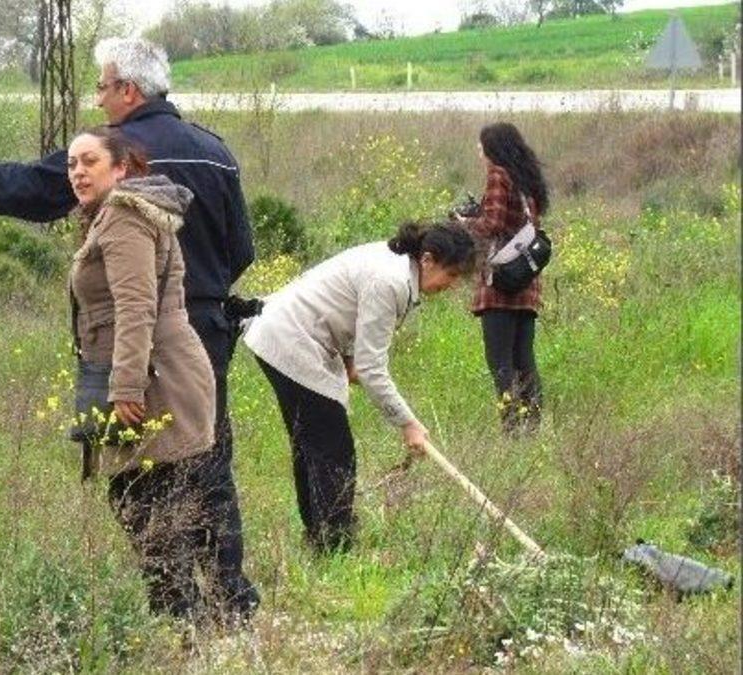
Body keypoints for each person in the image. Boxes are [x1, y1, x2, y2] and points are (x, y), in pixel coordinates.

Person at [0, 38, 258, 616]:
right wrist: (197, 295)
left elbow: (30, 190)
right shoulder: (215, 151)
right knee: (205, 462)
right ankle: (229, 603)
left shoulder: (115, 151)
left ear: (128, 91)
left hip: (134, 338)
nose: (97, 99)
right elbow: (241, 247)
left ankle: (178, 610)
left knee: (137, 479)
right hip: (203, 329)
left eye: (102, 86)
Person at [67, 126, 232, 627]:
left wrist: (125, 388)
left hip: (157, 377)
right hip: (155, 368)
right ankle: (192, 619)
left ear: (120, 168)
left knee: (144, 505)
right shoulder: (115, 214)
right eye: (71, 164)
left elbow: (135, 306)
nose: (78, 172)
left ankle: (185, 623)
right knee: (152, 504)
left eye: (90, 161)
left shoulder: (124, 216)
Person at [242, 223, 477, 555]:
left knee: (314, 445)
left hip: (286, 332)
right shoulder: (390, 280)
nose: (451, 286)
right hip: (290, 339)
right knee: (332, 450)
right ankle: (334, 546)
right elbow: (371, 369)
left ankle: (321, 539)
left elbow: (352, 316)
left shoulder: (396, 266)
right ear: (427, 259)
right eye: (450, 275)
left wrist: (351, 360)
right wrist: (408, 423)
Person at [461, 122, 549, 435]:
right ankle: (532, 428)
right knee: (524, 360)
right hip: (525, 282)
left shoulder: (498, 174)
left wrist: (463, 223)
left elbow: (493, 224)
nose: (479, 151)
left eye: (481, 145)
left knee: (500, 362)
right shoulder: (526, 180)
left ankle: (511, 429)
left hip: (500, 284)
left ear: (493, 148)